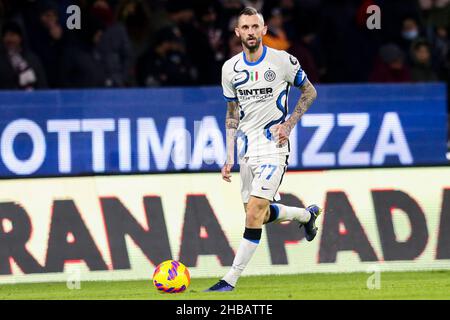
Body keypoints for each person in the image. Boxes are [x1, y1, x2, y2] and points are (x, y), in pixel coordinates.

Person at [205, 7, 322, 292]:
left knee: (254, 211)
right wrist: (229, 155)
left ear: (264, 29)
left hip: (274, 147)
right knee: (257, 213)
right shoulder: (230, 69)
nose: (250, 32)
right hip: (247, 149)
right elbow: (232, 113)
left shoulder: (282, 61)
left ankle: (229, 280)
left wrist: (289, 124)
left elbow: (310, 91)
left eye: (255, 27)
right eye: (245, 28)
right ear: (237, 32)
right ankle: (306, 216)